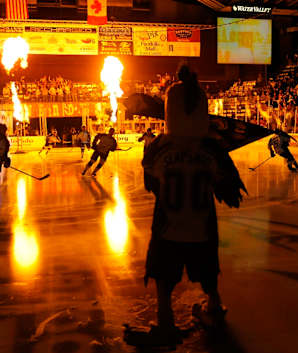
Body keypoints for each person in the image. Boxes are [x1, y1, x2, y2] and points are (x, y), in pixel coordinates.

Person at [125, 64, 246, 348]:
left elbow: (152, 184)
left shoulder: (159, 148)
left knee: (164, 278)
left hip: (168, 224)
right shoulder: (212, 150)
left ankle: (166, 321)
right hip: (203, 225)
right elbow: (228, 190)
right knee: (207, 270)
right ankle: (214, 308)